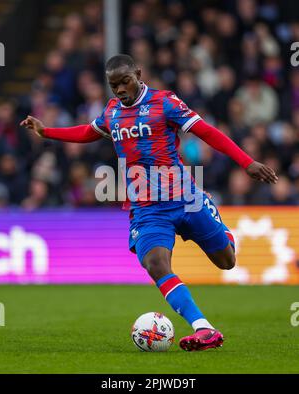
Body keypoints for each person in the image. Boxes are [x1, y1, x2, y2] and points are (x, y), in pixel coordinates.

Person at [21, 54, 278, 351]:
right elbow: (88, 132)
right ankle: (204, 328)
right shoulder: (111, 111)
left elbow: (206, 131)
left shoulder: (165, 102)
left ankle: (220, 227)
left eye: (125, 82)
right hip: (147, 208)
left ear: (138, 74)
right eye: (113, 85)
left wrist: (246, 162)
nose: (119, 90)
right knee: (155, 263)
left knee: (227, 261)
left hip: (184, 198)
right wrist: (46, 131)